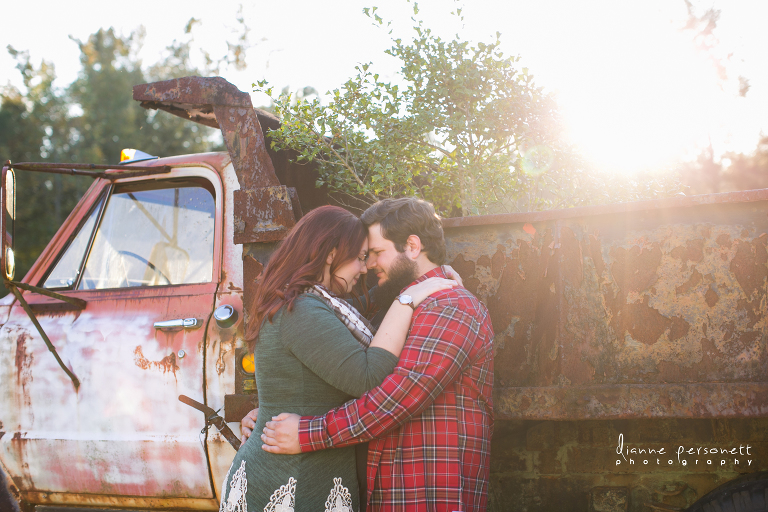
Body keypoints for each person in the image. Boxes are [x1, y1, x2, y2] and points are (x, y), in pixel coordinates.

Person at [261, 198, 495, 512]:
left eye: (376, 253)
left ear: (412, 246)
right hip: (388, 491)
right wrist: (269, 411)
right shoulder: (397, 304)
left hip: (428, 493)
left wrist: (307, 434)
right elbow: (322, 355)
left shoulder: (450, 307)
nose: (368, 265)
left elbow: (395, 399)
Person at [218, 205, 456, 512]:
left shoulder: (311, 302)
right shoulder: (302, 310)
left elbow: (357, 310)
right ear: (330, 255)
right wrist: (410, 298)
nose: (364, 268)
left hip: (305, 469)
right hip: (293, 481)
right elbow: (368, 378)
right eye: (358, 258)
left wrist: (419, 282)